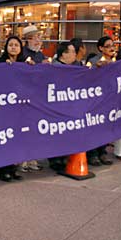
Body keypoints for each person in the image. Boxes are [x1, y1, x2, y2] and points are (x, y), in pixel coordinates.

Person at [0, 36, 38, 181]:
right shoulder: (0, 62)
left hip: (20, 107)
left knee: (17, 139)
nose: (13, 47)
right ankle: (2, 169)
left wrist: (31, 69)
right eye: (10, 45)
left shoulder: (24, 63)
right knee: (4, 139)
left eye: (16, 45)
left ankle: (13, 168)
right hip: (3, 107)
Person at [86, 36, 115, 166]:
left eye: (113, 45)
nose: (111, 48)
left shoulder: (117, 61)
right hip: (96, 99)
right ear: (101, 48)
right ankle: (92, 154)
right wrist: (96, 68)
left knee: (106, 127)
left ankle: (102, 152)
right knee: (95, 126)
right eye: (108, 46)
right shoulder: (94, 61)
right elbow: (86, 76)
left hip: (111, 98)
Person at [48, 42, 77, 171]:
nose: (74, 54)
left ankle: (63, 156)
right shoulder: (55, 68)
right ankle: (55, 159)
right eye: (71, 51)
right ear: (63, 54)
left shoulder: (76, 67)